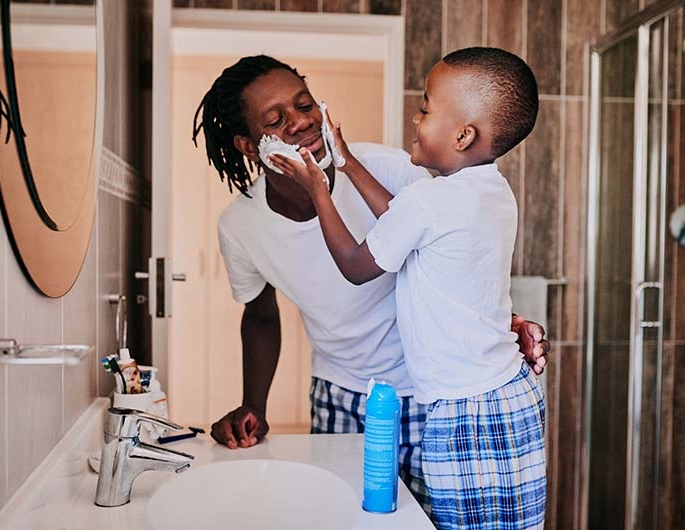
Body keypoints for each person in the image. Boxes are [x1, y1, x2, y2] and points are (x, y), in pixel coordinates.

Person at [192, 54, 550, 514]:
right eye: (277, 120)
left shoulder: (393, 168)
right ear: (246, 144)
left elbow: (454, 253)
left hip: (430, 393)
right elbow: (261, 316)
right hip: (342, 392)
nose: (300, 123)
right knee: (342, 515)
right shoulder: (239, 225)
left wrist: (501, 326)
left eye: (305, 105)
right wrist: (253, 406)